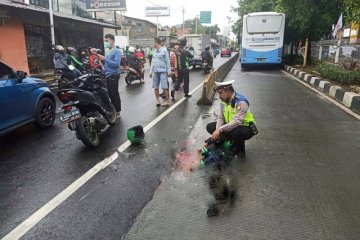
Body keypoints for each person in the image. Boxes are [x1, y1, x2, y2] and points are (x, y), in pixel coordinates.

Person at [206, 80, 257, 158]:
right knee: (210, 126)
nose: (219, 96)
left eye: (221, 93)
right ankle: (224, 144)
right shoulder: (223, 102)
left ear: (228, 92)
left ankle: (236, 149)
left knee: (237, 133)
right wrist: (217, 130)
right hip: (231, 126)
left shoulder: (241, 102)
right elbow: (220, 117)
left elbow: (237, 122)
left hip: (245, 127)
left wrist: (220, 130)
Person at [97, 33, 122, 118]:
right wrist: (101, 60)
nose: (105, 43)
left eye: (106, 41)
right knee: (110, 94)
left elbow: (116, 64)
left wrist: (105, 59)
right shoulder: (108, 51)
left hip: (114, 75)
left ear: (112, 40)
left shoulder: (117, 51)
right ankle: (113, 109)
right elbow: (106, 63)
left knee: (115, 94)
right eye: (105, 41)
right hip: (108, 75)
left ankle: (118, 111)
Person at [149, 37, 171, 107]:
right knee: (155, 87)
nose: (153, 44)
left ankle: (167, 101)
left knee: (164, 87)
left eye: (153, 42)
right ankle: (157, 100)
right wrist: (150, 71)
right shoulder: (154, 51)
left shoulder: (164, 50)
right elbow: (152, 62)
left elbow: (167, 61)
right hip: (155, 71)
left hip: (162, 71)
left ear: (156, 42)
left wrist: (169, 71)